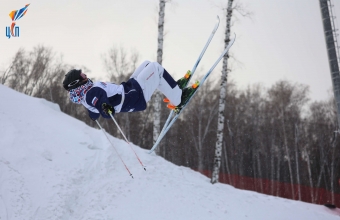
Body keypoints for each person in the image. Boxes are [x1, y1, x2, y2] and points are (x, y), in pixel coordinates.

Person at [62, 61, 193, 120]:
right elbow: (101, 105)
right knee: (155, 68)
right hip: (135, 97)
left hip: (129, 89)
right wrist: (105, 108)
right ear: (77, 83)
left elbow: (94, 111)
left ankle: (172, 89)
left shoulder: (85, 95)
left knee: (147, 64)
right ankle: (178, 99)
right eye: (81, 75)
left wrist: (93, 115)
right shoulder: (91, 94)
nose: (84, 74)